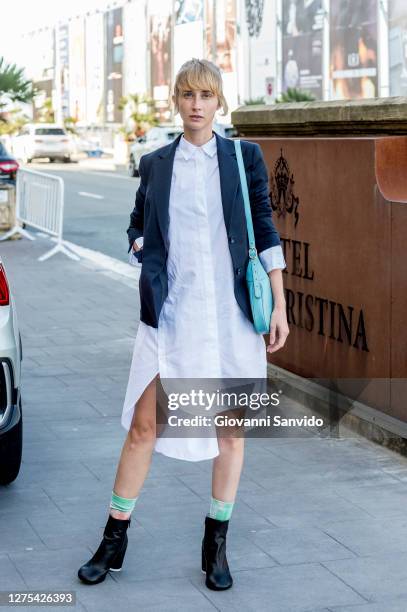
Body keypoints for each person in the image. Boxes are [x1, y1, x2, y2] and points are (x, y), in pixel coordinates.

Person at [78, 58, 289, 590]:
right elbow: (136, 224)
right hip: (171, 318)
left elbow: (265, 229)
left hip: (233, 318)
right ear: (176, 100)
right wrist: (143, 248)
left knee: (231, 430)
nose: (197, 104)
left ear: (219, 102)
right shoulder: (155, 163)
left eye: (207, 95)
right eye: (188, 95)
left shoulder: (245, 158)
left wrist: (280, 306)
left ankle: (215, 543)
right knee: (144, 426)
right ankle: (113, 537)